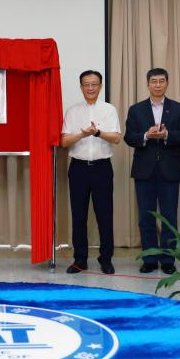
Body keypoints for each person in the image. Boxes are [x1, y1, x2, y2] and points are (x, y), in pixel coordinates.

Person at [124, 68, 180, 274]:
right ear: (148, 84)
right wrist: (146, 135)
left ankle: (168, 260)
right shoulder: (136, 110)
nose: (158, 85)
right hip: (144, 171)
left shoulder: (179, 109)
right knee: (146, 217)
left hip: (170, 170)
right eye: (154, 81)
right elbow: (129, 137)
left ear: (167, 83)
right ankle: (150, 259)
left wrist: (167, 135)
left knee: (169, 217)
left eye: (162, 81)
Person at [60, 70, 122, 275]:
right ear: (81, 87)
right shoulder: (72, 111)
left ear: (100, 86)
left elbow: (116, 138)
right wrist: (82, 134)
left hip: (102, 168)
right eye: (86, 84)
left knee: (105, 215)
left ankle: (106, 259)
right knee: (79, 216)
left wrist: (97, 132)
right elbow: (64, 141)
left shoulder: (109, 110)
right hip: (78, 168)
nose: (90, 88)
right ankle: (80, 260)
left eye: (94, 84)